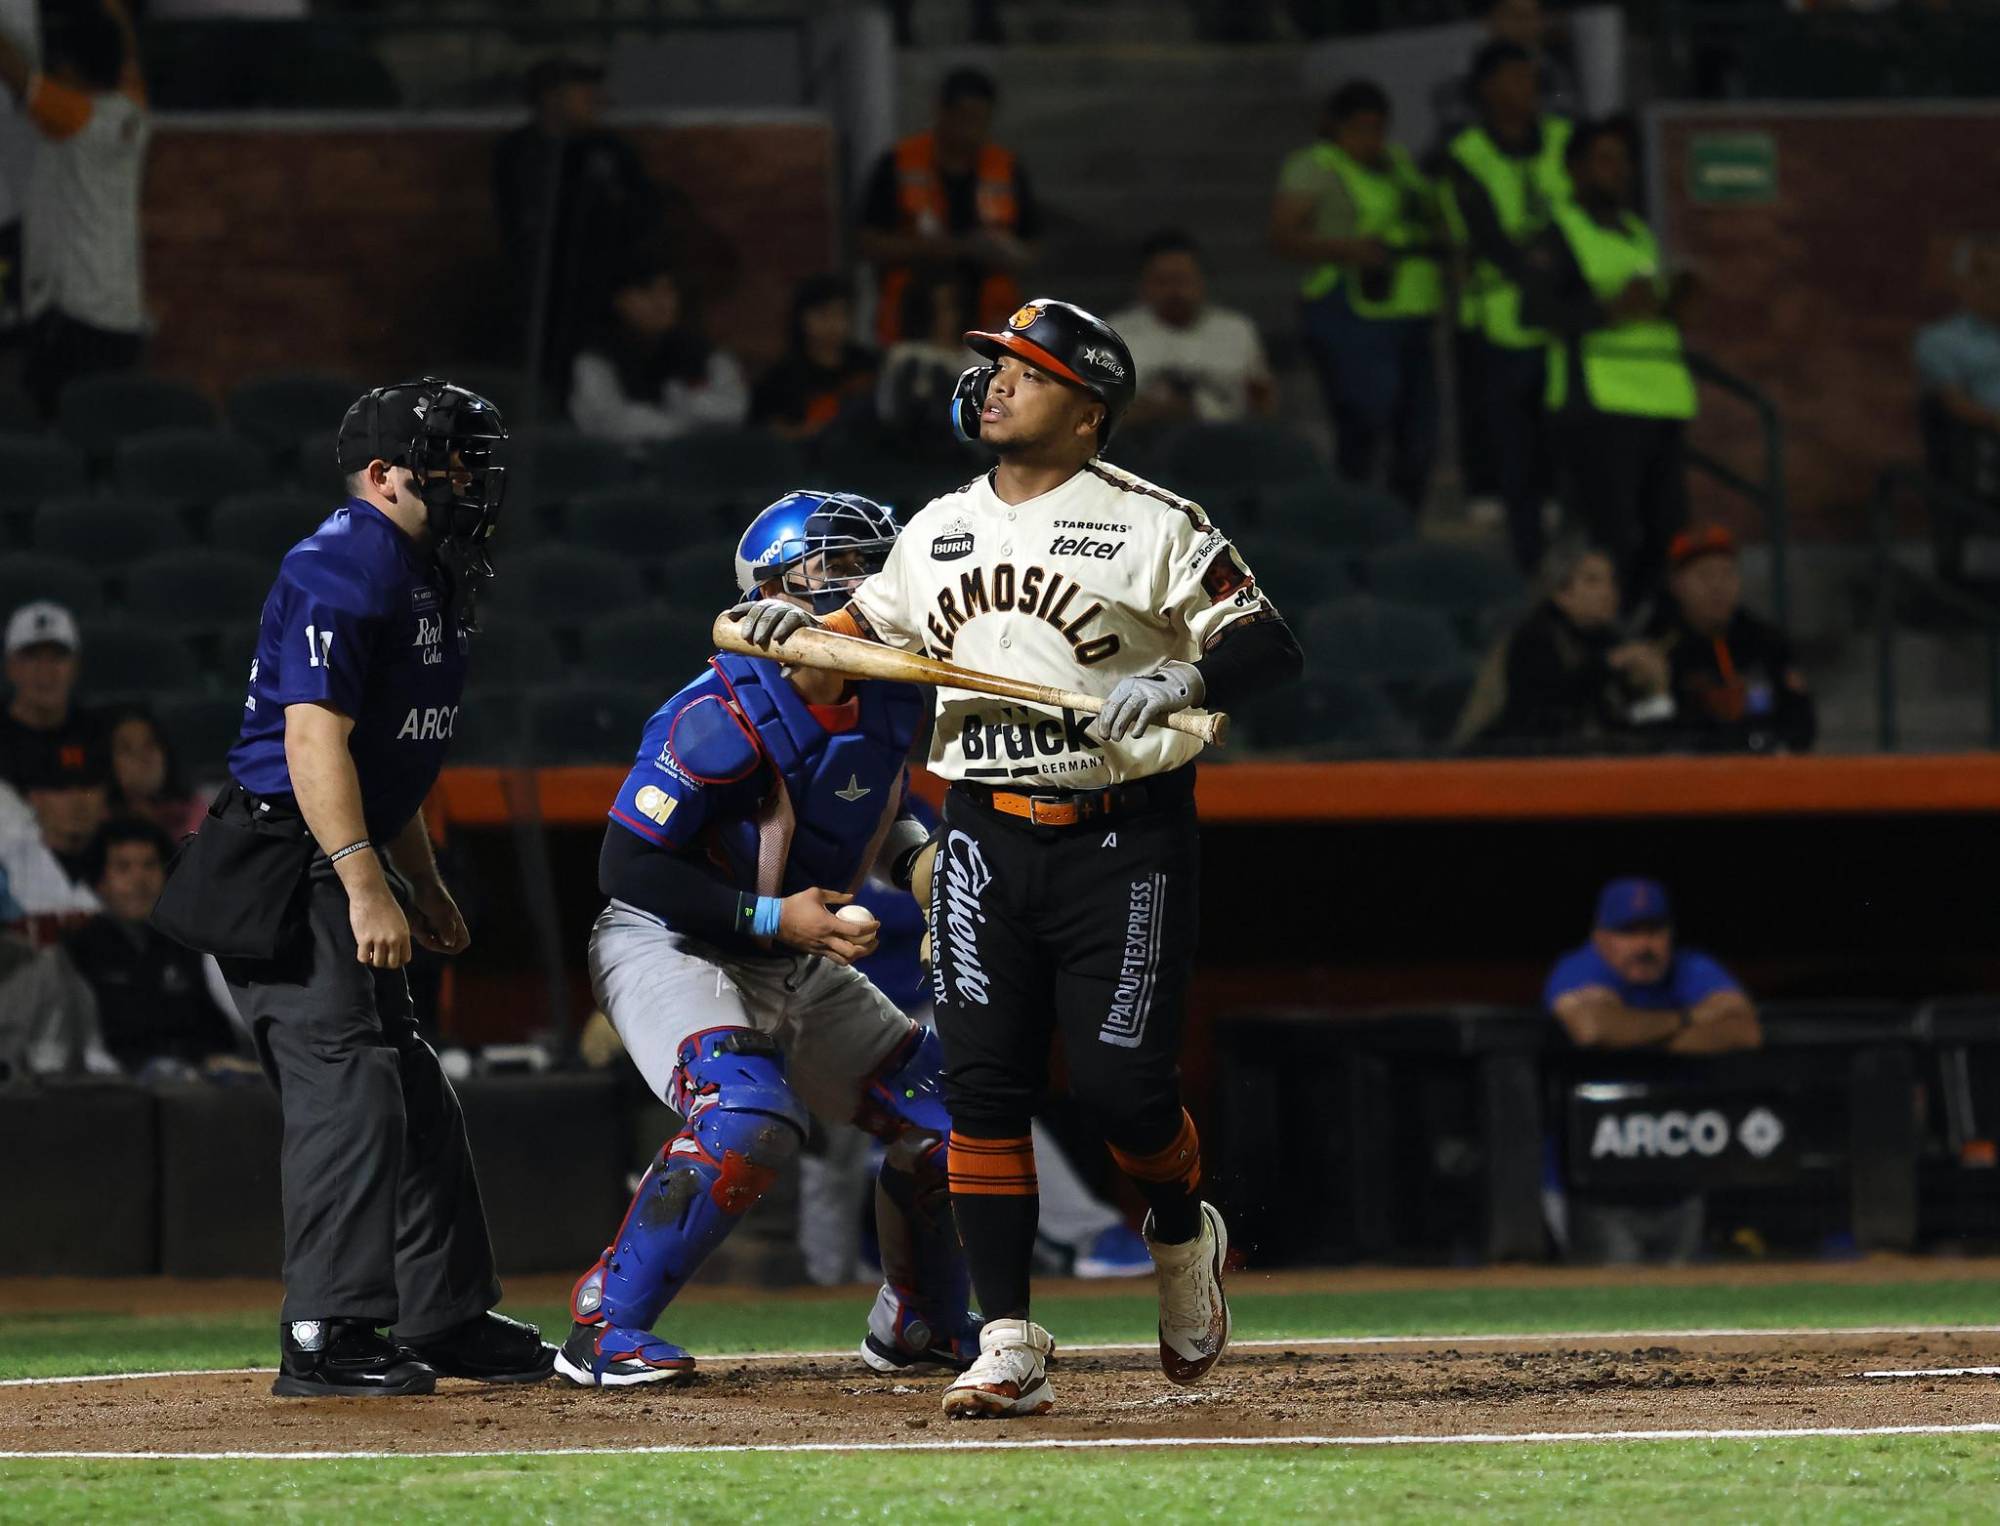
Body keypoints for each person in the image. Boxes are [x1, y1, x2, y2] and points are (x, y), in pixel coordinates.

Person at [732, 297, 1304, 1418]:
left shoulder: (1154, 522)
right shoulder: (935, 526)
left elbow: (1269, 643)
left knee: (1122, 1089)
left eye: (1024, 371)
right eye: (991, 364)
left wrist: (1184, 678)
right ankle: (1005, 1336)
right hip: (985, 831)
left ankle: (1182, 1236)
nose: (993, 381)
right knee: (981, 1086)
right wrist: (781, 631)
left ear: (1087, 410)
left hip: (1122, 834)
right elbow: (852, 645)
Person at [150, 378, 551, 1399]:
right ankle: (326, 1329)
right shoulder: (342, 558)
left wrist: (418, 878)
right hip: (291, 858)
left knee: (410, 1086)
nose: (472, 478)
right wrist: (366, 881)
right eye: (453, 457)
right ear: (383, 473)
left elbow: (383, 754)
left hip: (344, 843)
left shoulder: (423, 565)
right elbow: (311, 737)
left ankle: (447, 1314)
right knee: (351, 1084)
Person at [554, 490, 977, 1388]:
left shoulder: (890, 694)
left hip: (790, 950)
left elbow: (868, 805)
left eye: (881, 564)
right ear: (781, 590)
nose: (876, 585)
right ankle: (604, 1326)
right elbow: (627, 865)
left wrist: (920, 867)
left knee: (952, 1114)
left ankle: (921, 1324)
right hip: (670, 943)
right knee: (748, 1118)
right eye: (848, 568)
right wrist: (775, 918)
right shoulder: (719, 713)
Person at [1522, 118, 1697, 610]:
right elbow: (1534, 311)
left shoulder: (1638, 231)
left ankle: (1637, 626)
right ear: (1574, 169)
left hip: (1660, 400)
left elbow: (1646, 309)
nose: (1618, 171)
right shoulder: (1558, 235)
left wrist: (1675, 303)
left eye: (1623, 161)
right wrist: (1608, 309)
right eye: (1604, 160)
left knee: (1670, 533)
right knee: (1613, 536)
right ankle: (1602, 628)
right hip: (1598, 404)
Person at [1545, 876, 1762, 1263]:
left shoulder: (1691, 967)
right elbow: (1595, 1029)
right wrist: (1689, 1019)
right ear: (1601, 937)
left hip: (1679, 1176)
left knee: (1687, 1307)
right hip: (1593, 1184)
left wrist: (1637, 1031)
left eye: (1654, 931)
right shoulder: (1580, 967)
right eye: (1629, 932)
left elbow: (1745, 1030)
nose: (1645, 945)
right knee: (1607, 1305)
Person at [1272, 83, 1442, 510]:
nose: (1372, 139)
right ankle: (1353, 510)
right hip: (1348, 310)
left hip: (1408, 309)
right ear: (1336, 126)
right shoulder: (1314, 166)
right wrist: (1349, 251)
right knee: (1363, 421)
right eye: (1362, 128)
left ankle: (1404, 516)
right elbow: (1284, 236)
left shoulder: (1397, 164)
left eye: (1380, 128)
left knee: (1417, 431)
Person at [1443, 41, 1572, 572]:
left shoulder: (1564, 140)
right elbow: (1483, 233)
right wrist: (1534, 260)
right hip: (1498, 319)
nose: (1529, 87)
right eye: (1516, 77)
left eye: (1533, 76)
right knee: (1509, 437)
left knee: (1559, 435)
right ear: (1487, 88)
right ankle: (1520, 545)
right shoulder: (1466, 152)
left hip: (1562, 318)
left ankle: (1555, 521)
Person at [0, 0, 150, 416]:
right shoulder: (133, 108)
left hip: (75, 325)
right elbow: (128, 52)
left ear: (71, 68)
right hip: (122, 321)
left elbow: (17, 75)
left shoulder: (73, 117)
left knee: (55, 432)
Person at [493, 55, 663, 393]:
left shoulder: (611, 153)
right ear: (551, 98)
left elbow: (641, 217)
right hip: (542, 298)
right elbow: (517, 228)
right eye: (584, 92)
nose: (597, 100)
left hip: (606, 299)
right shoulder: (519, 153)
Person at [858, 67, 1040, 345]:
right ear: (941, 112)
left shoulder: (1007, 168)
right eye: (964, 117)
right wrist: (945, 248)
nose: (971, 129)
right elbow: (867, 242)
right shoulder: (899, 163)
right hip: (914, 317)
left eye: (980, 119)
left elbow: (1032, 246)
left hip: (991, 323)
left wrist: (1003, 250)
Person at [64, 817, 243, 1077]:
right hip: (118, 1090)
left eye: (149, 865)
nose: (139, 880)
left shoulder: (193, 942)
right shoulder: (79, 949)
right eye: (123, 868)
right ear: (100, 881)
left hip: (208, 1084)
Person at [1454, 538, 1670, 752]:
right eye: (1592, 580)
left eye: (1611, 580)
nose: (1609, 591)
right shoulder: (1534, 639)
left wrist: (1657, 693)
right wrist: (1607, 665)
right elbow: (1541, 716)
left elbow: (1631, 727)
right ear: (1561, 593)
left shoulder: (1611, 641)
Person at [1648, 524, 1816, 753]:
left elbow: (1800, 723)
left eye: (1727, 573)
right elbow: (1647, 734)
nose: (1718, 586)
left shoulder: (1765, 641)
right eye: (1705, 575)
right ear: (1677, 585)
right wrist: (1654, 689)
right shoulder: (1657, 647)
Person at [567, 258, 749, 444]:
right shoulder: (595, 359)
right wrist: (685, 422)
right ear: (619, 300)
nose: (661, 302)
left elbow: (733, 409)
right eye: (647, 292)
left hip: (696, 463)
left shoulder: (704, 354)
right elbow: (610, 422)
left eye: (668, 291)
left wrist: (687, 405)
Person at [1110, 230, 1275, 431]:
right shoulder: (1116, 333)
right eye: (1162, 281)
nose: (1174, 291)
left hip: (1226, 441)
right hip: (1144, 446)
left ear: (1202, 281)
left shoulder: (1237, 330)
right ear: (1143, 285)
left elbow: (1263, 401)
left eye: (1182, 280)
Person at [1914, 234, 2000, 579]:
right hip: (1982, 451)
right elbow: (1953, 404)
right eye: (1988, 273)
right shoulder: (1942, 341)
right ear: (1966, 283)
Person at [749, 275, 880, 442]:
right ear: (801, 318)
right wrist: (801, 433)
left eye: (841, 314)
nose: (834, 323)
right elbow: (762, 431)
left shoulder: (869, 365)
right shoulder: (780, 377)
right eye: (823, 314)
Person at [1434, 0, 1582, 142]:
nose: (1527, 25)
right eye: (1515, 16)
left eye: (1533, 16)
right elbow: (1459, 137)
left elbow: (1570, 128)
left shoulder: (1556, 74)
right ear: (1488, 21)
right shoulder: (1460, 81)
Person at [0, 602, 106, 796]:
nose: (46, 672)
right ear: (10, 668)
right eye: (32, 657)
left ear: (75, 668)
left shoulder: (97, 734)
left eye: (58, 657)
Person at [876, 271, 977, 451]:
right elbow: (887, 411)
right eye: (935, 308)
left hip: (963, 451)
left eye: (950, 307)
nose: (944, 317)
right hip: (910, 447)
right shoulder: (904, 355)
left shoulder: (977, 358)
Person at [105, 708, 206, 842]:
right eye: (127, 748)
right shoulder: (99, 821)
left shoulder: (194, 813)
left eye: (149, 745)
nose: (142, 756)